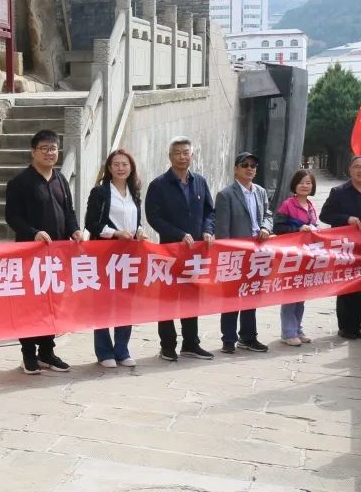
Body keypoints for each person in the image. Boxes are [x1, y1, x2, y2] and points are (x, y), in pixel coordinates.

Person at [4, 129, 87, 375]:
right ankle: (29, 354)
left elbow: (69, 212)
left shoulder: (61, 180)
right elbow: (12, 217)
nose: (50, 153)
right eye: (44, 149)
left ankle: (47, 352)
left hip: (57, 256)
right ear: (33, 151)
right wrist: (34, 232)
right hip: (30, 254)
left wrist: (75, 230)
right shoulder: (20, 182)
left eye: (53, 148)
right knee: (30, 304)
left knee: (53, 303)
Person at [144, 136, 216, 361]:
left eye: (186, 153)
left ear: (192, 155)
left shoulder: (200, 182)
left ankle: (191, 343)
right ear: (170, 156)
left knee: (191, 297)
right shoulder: (158, 185)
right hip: (169, 251)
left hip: (195, 253)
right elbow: (153, 217)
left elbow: (210, 211)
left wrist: (207, 230)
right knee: (167, 299)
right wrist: (178, 234)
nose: (182, 157)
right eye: (177, 153)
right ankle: (167, 346)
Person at [84, 148, 145, 368]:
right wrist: (115, 233)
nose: (121, 168)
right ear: (109, 168)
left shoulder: (134, 191)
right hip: (105, 254)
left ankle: (122, 349)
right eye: (116, 164)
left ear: (131, 168)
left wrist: (140, 231)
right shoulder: (100, 192)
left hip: (129, 256)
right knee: (103, 302)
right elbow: (91, 223)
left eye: (125, 164)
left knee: (126, 302)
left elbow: (137, 220)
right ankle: (104, 352)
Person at [319, 155, 361, 340]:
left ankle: (356, 327)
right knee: (346, 290)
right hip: (345, 250)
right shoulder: (339, 192)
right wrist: (346, 219)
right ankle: (345, 328)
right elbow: (325, 215)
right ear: (350, 170)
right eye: (357, 167)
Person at [214, 152, 273, 354]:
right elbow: (222, 230)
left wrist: (265, 227)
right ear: (236, 169)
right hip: (235, 255)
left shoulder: (261, 192)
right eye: (245, 164)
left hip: (257, 253)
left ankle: (248, 337)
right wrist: (227, 254)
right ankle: (228, 339)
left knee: (251, 295)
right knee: (231, 297)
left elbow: (268, 214)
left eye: (253, 166)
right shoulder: (226, 195)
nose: (250, 168)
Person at [273, 169, 320, 346]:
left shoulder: (311, 205)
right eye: (301, 182)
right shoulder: (287, 204)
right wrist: (298, 229)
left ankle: (298, 329)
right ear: (295, 184)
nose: (305, 186)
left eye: (308, 183)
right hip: (291, 256)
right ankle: (288, 332)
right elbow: (278, 228)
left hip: (307, 256)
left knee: (301, 295)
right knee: (290, 295)